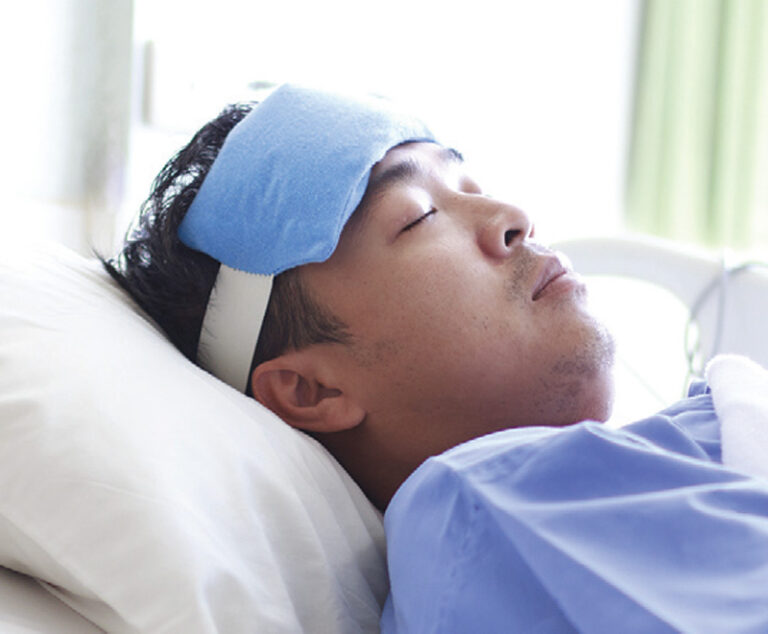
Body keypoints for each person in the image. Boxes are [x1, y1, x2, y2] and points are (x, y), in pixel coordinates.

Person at [105, 84, 768, 632]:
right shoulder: (477, 508)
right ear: (310, 390)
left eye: (471, 186)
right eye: (419, 216)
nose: (513, 215)